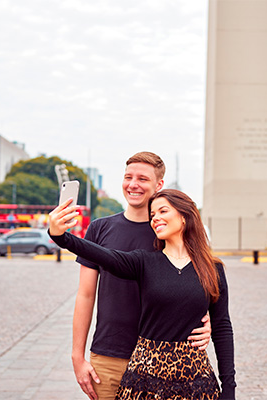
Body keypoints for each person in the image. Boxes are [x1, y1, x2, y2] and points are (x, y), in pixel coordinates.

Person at [49, 189, 235, 399]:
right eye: (153, 215)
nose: (156, 219)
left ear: (184, 216)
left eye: (163, 211)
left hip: (195, 380)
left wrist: (229, 388)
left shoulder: (213, 269)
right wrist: (60, 236)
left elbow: (222, 328)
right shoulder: (143, 262)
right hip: (145, 378)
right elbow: (100, 254)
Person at [71, 152, 211, 400]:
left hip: (159, 359)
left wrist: (206, 316)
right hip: (108, 356)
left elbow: (195, 280)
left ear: (159, 185)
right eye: (128, 177)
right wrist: (77, 356)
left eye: (142, 179)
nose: (133, 184)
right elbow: (85, 294)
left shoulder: (168, 230)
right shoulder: (100, 228)